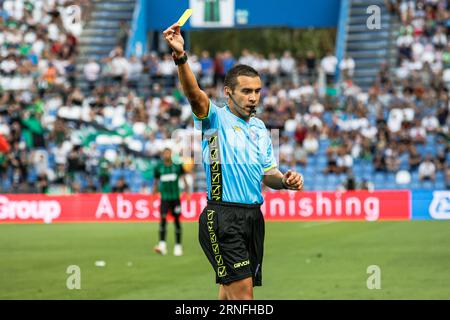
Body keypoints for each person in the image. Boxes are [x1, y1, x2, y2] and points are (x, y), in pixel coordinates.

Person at [163, 22, 304, 300]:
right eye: (246, 92)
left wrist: (285, 181)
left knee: (229, 294)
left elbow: (269, 175)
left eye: (257, 91)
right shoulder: (214, 119)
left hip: (253, 218)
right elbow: (194, 95)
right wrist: (181, 58)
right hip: (222, 216)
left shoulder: (261, 128)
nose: (254, 98)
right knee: (244, 297)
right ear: (228, 92)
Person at [153, 147, 190, 257]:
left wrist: (187, 193)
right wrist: (153, 194)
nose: (166, 155)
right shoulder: (159, 167)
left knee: (177, 220)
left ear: (171, 154)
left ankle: (178, 246)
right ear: (163, 155)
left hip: (175, 198)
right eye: (165, 153)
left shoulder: (177, 167)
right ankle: (162, 245)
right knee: (163, 219)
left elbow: (184, 179)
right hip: (164, 198)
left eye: (168, 153)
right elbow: (155, 182)